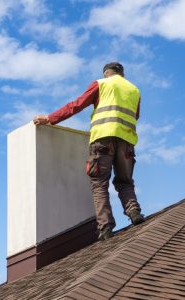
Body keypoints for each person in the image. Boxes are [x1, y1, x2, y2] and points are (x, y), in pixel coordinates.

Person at [33, 62, 144, 241]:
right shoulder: (134, 90)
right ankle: (134, 211)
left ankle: (105, 226)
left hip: (102, 139)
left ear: (106, 73)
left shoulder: (101, 84)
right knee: (125, 181)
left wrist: (50, 118)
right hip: (127, 142)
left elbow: (76, 105)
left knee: (99, 182)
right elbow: (135, 116)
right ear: (122, 74)